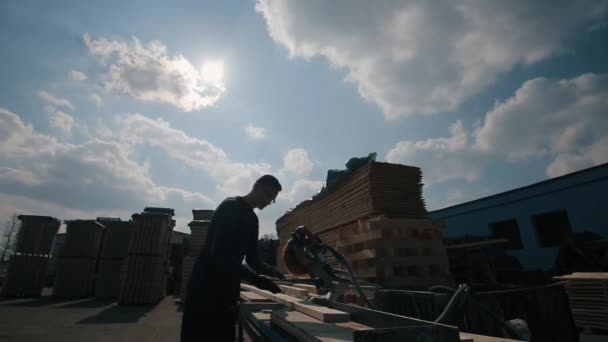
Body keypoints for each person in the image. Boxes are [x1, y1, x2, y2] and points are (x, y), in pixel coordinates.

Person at [181, 175, 285, 342]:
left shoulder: (252, 219)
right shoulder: (230, 207)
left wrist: (270, 271)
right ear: (256, 187)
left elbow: (253, 259)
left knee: (225, 334)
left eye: (272, 200)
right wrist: (256, 280)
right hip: (206, 286)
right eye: (268, 196)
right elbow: (220, 255)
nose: (268, 202)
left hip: (227, 289)